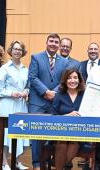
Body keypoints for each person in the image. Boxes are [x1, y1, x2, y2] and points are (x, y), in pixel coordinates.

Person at [28, 33, 68, 170]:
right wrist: (46, 92)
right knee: (36, 133)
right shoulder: (36, 57)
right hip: (37, 102)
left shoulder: (64, 61)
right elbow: (32, 78)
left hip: (55, 102)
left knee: (53, 133)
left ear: (59, 45)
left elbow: (64, 80)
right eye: (51, 41)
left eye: (56, 42)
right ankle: (37, 164)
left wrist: (53, 93)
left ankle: (49, 162)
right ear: (46, 42)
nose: (53, 44)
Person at [0, 40, 29, 170]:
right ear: (11, 51)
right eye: (15, 49)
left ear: (23, 52)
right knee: (6, 133)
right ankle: (4, 162)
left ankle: (18, 161)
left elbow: (27, 86)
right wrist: (11, 93)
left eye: (20, 49)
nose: (17, 51)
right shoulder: (5, 68)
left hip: (21, 105)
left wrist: (26, 91)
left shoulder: (26, 69)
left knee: (21, 131)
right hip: (8, 104)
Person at [51, 69, 85, 170]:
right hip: (61, 131)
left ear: (79, 80)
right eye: (69, 78)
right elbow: (53, 116)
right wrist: (67, 115)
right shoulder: (59, 95)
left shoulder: (84, 95)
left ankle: (57, 163)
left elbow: (90, 113)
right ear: (65, 80)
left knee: (73, 141)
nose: (72, 80)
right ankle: (64, 165)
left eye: (75, 78)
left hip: (80, 131)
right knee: (63, 141)